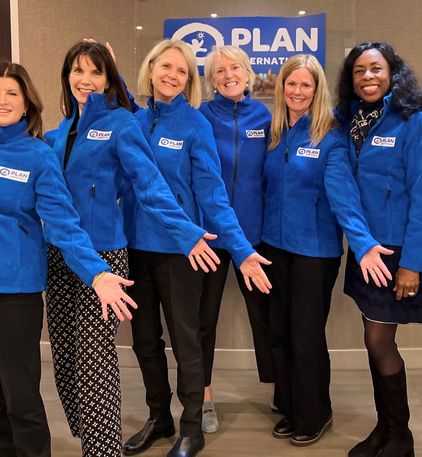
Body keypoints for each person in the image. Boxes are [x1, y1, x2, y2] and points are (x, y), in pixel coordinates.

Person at [46, 41, 218, 457]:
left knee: (103, 361)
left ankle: (187, 428)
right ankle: (158, 419)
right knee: (97, 354)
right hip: (69, 254)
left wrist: (189, 231)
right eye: (78, 71)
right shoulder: (64, 128)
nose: (85, 80)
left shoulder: (128, 124)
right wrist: (109, 65)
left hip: (113, 254)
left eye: (95, 72)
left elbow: (153, 186)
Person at [0, 60, 134, 457]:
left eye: (12, 93)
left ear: (26, 103)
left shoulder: (38, 156)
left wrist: (98, 274)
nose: (2, 100)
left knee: (21, 400)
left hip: (13, 294)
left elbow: (65, 225)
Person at [121, 39, 272, 457]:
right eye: (165, 67)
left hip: (182, 250)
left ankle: (192, 426)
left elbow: (213, 195)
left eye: (181, 71)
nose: (171, 75)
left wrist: (240, 250)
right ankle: (158, 416)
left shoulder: (195, 125)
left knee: (186, 340)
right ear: (150, 69)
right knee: (145, 340)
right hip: (135, 247)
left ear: (189, 81)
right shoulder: (132, 120)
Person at [262, 54, 392, 447]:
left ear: (317, 90)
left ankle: (316, 412)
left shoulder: (331, 135)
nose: (297, 91)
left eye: (306, 85)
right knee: (280, 330)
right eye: (291, 83)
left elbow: (343, 194)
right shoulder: (275, 132)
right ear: (281, 87)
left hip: (314, 251)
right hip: (273, 247)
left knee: (305, 334)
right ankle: (289, 405)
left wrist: (363, 241)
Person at [335, 42, 422, 457]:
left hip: (396, 252)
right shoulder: (352, 120)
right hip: (364, 250)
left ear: (394, 73)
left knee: (380, 341)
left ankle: (402, 436)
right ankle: (384, 427)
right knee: (370, 337)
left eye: (376, 69)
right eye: (359, 71)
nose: (368, 77)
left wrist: (413, 264)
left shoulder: (413, 122)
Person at [197, 45, 274, 433]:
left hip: (252, 238)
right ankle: (204, 398)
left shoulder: (265, 115)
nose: (227, 75)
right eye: (218, 71)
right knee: (204, 321)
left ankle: (280, 389)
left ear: (247, 73)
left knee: (265, 316)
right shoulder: (200, 117)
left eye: (234, 68)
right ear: (211, 79)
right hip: (210, 238)